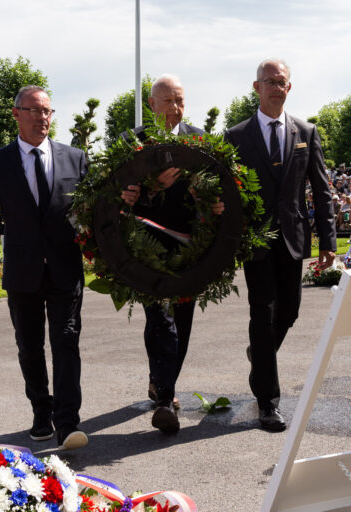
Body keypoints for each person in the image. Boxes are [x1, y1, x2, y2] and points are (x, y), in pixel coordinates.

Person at [0, 85, 89, 450]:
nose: (42, 118)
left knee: (66, 342)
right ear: (16, 113)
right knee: (29, 347)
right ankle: (41, 409)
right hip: (22, 272)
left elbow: (92, 211)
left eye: (47, 111)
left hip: (66, 270)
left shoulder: (75, 158)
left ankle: (68, 422)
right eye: (34, 111)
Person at [224, 58, 336, 432]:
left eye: (282, 81)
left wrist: (328, 240)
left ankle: (259, 355)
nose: (276, 87)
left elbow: (321, 190)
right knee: (263, 312)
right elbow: (226, 190)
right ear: (256, 87)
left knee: (289, 312)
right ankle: (267, 402)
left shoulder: (306, 131)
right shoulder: (235, 136)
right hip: (255, 241)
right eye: (269, 81)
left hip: (293, 238)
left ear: (290, 88)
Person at [120, 75, 223, 435]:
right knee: (160, 318)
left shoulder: (202, 141)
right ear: (152, 105)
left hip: (190, 249)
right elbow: (121, 194)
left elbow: (219, 186)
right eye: (168, 102)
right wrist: (154, 186)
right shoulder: (132, 142)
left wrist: (212, 202)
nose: (175, 108)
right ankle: (165, 399)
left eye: (180, 101)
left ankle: (159, 381)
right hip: (145, 251)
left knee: (181, 321)